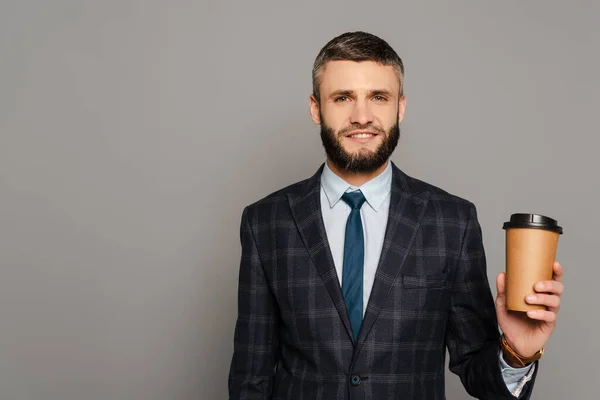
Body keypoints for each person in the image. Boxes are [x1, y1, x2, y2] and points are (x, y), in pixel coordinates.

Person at [228, 31, 564, 399]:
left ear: (400, 107)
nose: (362, 116)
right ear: (315, 107)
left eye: (379, 97)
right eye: (342, 98)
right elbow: (251, 377)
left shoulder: (452, 222)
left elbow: (475, 368)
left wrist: (517, 353)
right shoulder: (266, 222)